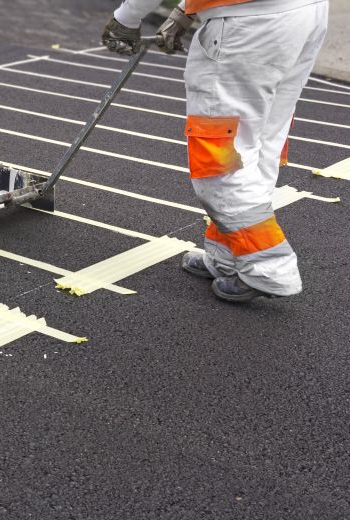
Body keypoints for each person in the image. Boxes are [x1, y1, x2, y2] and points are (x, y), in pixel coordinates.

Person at [102, 0, 328, 302]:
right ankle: (231, 255)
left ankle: (269, 269)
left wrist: (126, 18)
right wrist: (186, 9)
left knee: (220, 162)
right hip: (303, 13)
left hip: (249, 24)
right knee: (259, 142)